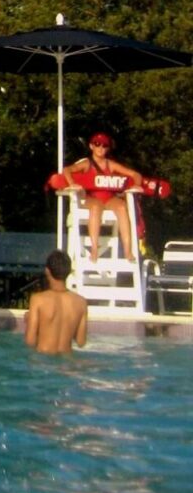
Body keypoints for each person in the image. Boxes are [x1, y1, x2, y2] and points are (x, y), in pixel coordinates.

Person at [47, 132, 170, 263]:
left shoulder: (110, 164)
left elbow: (135, 175)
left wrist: (137, 186)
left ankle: (128, 250)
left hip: (109, 198)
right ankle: (94, 249)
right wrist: (72, 183)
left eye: (104, 145)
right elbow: (67, 170)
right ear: (91, 146)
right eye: (97, 144)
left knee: (122, 208)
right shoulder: (87, 163)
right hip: (91, 198)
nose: (100, 148)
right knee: (96, 207)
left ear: (107, 148)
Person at [25, 250, 88, 354]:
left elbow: (30, 341)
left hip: (44, 361)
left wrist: (30, 320)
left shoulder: (38, 300)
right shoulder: (81, 302)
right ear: (68, 271)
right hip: (67, 363)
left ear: (47, 271)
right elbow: (81, 342)